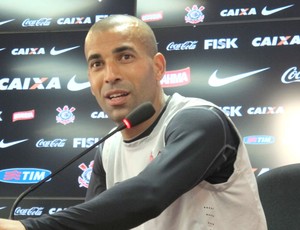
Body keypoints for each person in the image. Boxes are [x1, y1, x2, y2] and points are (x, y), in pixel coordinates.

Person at [0, 15, 267, 230]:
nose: (110, 75)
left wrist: (27, 228)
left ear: (159, 67)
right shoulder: (109, 145)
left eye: (125, 57)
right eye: (97, 64)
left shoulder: (200, 120)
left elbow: (148, 195)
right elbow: (97, 222)